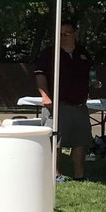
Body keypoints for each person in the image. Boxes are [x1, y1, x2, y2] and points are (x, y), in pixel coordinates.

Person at [34, 20, 96, 181]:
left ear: (74, 34)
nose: (62, 37)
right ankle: (55, 173)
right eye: (59, 34)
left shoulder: (83, 53)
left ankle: (79, 174)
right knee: (55, 140)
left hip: (80, 104)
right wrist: (45, 95)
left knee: (81, 140)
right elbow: (40, 76)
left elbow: (90, 74)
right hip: (57, 104)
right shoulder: (49, 53)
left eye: (66, 34)